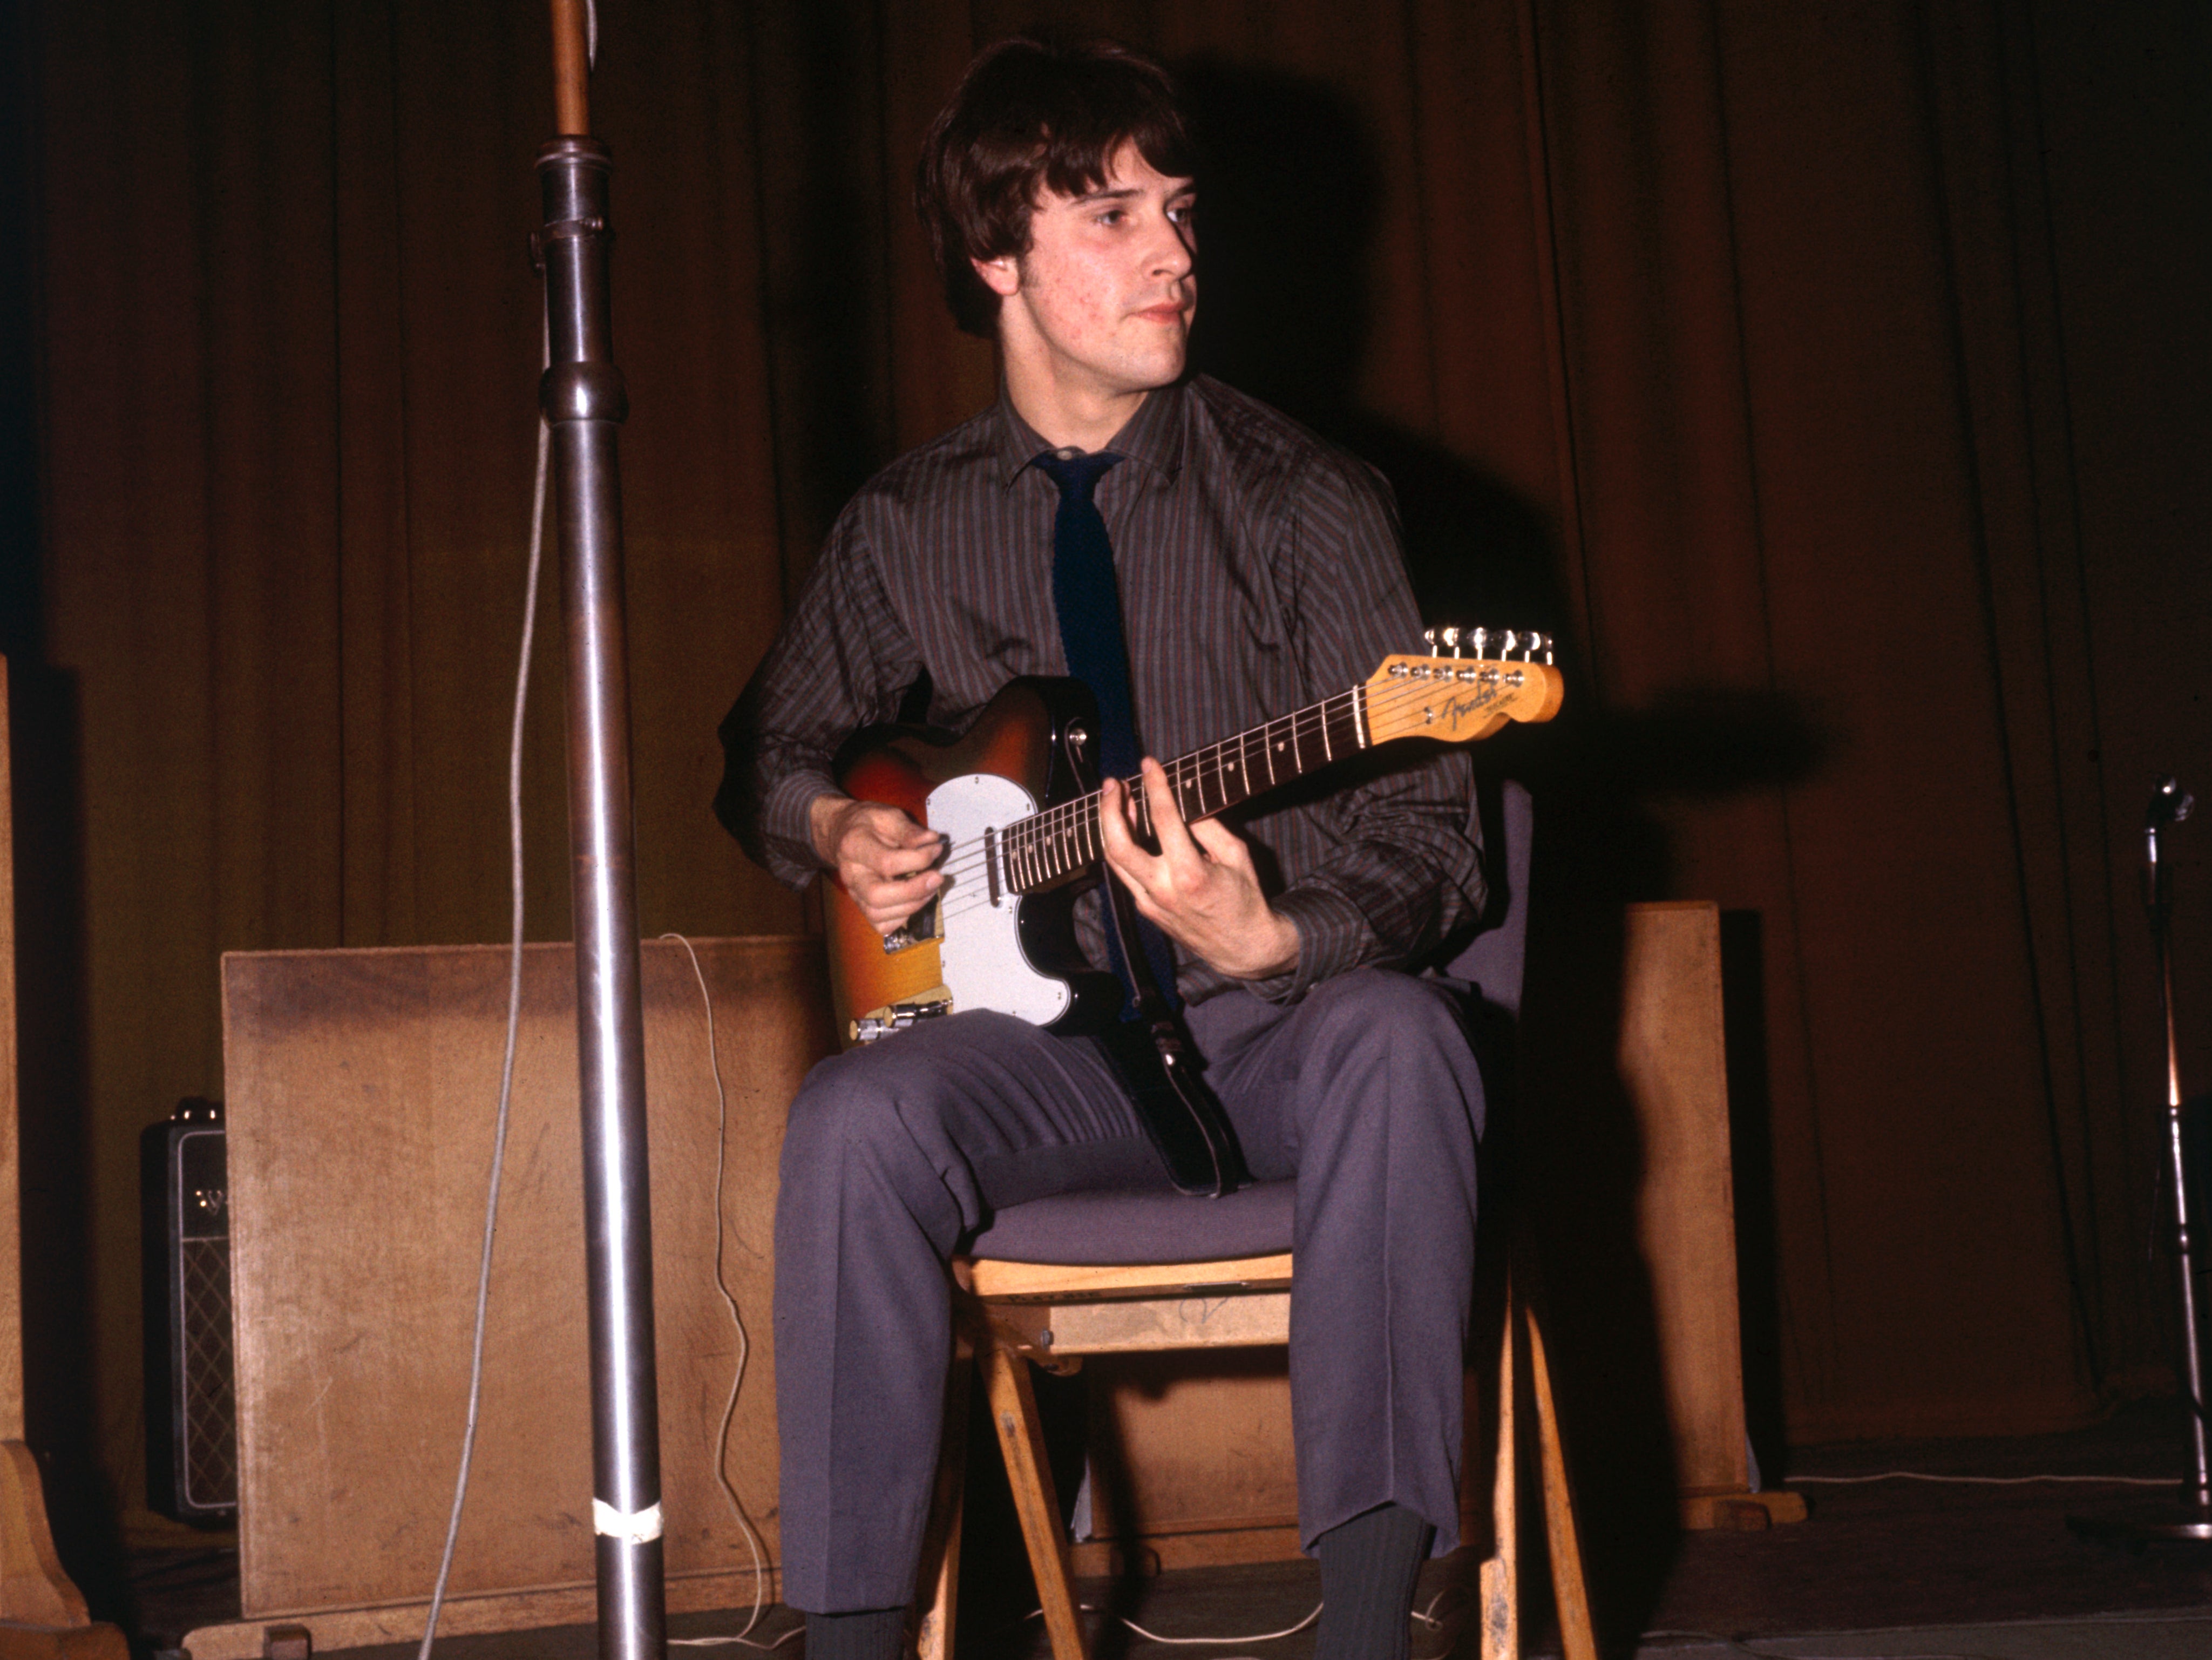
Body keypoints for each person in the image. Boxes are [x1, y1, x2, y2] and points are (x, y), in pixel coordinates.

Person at [716, 37, 1488, 1660]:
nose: (1174, 254)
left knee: (1408, 1036)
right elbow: (766, 754)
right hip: (1042, 1063)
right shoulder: (907, 524)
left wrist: (1275, 935)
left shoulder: (1307, 503)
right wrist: (838, 824)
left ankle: (1371, 1618)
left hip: (1278, 1038)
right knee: (853, 1115)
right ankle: (851, 1629)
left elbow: (1437, 842)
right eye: (1113, 217)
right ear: (996, 258)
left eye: (1180, 211)